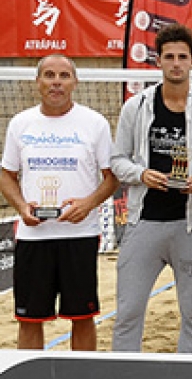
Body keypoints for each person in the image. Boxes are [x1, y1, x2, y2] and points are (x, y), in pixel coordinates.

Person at [110, 23, 192, 354]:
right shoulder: (137, 106)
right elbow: (117, 160)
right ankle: (122, 378)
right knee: (128, 312)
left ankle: (186, 378)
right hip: (143, 222)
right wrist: (140, 174)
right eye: (169, 57)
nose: (176, 63)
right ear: (158, 61)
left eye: (182, 56)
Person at [0, 55, 117, 350]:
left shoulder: (95, 123)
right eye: (49, 75)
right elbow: (6, 174)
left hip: (79, 235)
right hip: (33, 235)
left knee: (82, 316)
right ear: (37, 82)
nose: (56, 82)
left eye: (64, 76)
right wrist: (21, 207)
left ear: (75, 82)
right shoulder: (20, 123)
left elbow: (112, 178)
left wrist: (88, 204)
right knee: (29, 319)